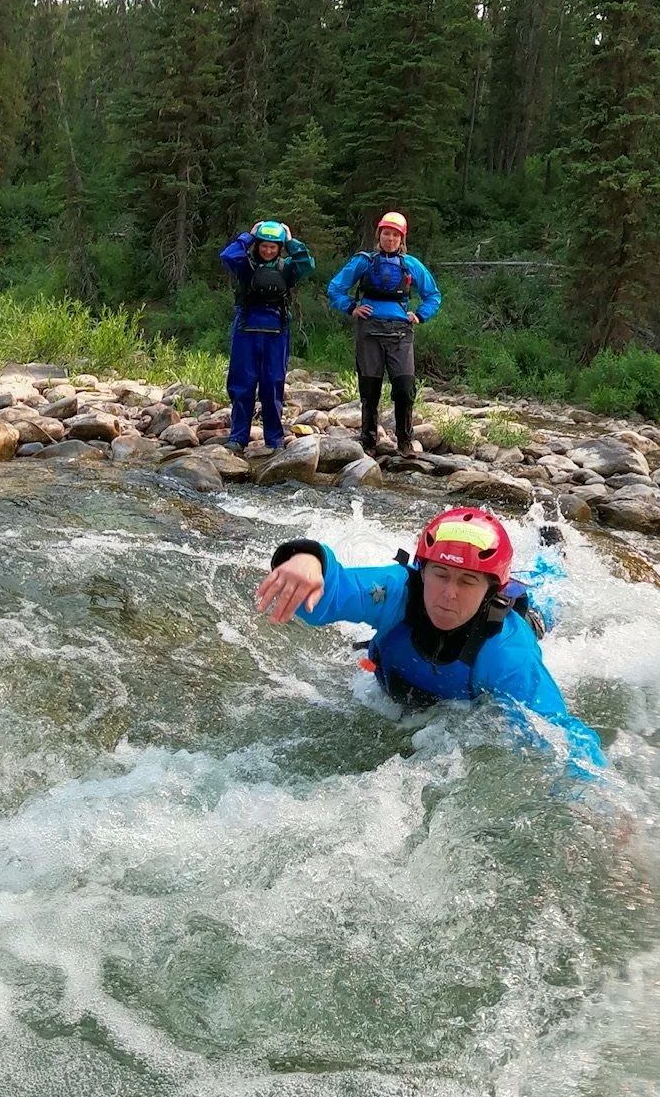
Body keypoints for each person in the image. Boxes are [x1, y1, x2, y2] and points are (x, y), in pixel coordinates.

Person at [255, 506, 606, 775]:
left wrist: (598, 793)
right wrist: (307, 558)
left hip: (527, 623)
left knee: (547, 594)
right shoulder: (397, 592)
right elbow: (330, 596)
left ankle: (552, 553)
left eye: (468, 581)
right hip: (406, 689)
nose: (448, 594)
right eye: (440, 574)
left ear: (491, 591)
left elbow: (558, 730)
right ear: (422, 572)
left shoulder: (506, 650)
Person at [325, 211, 441, 456]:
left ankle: (404, 441)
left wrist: (420, 315)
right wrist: (350, 307)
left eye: (395, 235)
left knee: (404, 388)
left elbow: (433, 295)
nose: (390, 239)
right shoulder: (364, 262)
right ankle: (368, 440)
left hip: (400, 332)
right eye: (386, 234)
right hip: (369, 331)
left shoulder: (410, 264)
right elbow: (335, 288)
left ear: (402, 239)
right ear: (379, 235)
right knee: (370, 389)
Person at [219, 220, 316, 452]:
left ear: (280, 247)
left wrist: (291, 241)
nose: (268, 250)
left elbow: (307, 264)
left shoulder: (287, 267)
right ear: (258, 245)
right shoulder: (246, 265)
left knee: (273, 384)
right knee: (242, 384)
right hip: (246, 328)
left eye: (274, 246)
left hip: (276, 330)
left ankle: (274, 440)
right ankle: (238, 437)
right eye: (264, 246)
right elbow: (228, 256)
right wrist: (248, 237)